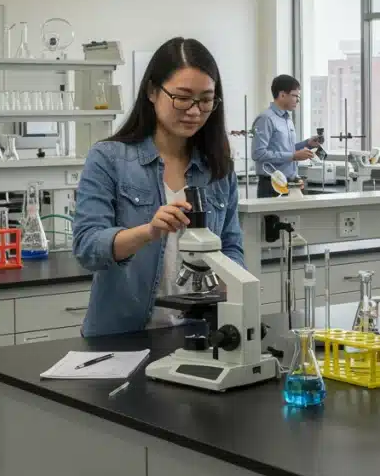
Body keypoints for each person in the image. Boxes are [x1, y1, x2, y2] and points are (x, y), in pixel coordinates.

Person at [72, 37, 243, 338]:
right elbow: (87, 247)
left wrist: (235, 289)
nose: (194, 111)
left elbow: (231, 246)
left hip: (197, 334)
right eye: (182, 97)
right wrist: (148, 232)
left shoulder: (218, 168)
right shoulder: (108, 158)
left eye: (205, 100)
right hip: (122, 336)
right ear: (152, 91)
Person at [251, 74, 322, 197]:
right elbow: (258, 153)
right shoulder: (266, 119)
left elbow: (284, 149)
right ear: (282, 95)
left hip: (289, 183)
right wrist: (294, 156)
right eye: (295, 96)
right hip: (271, 185)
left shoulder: (287, 119)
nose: (297, 100)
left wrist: (307, 144)